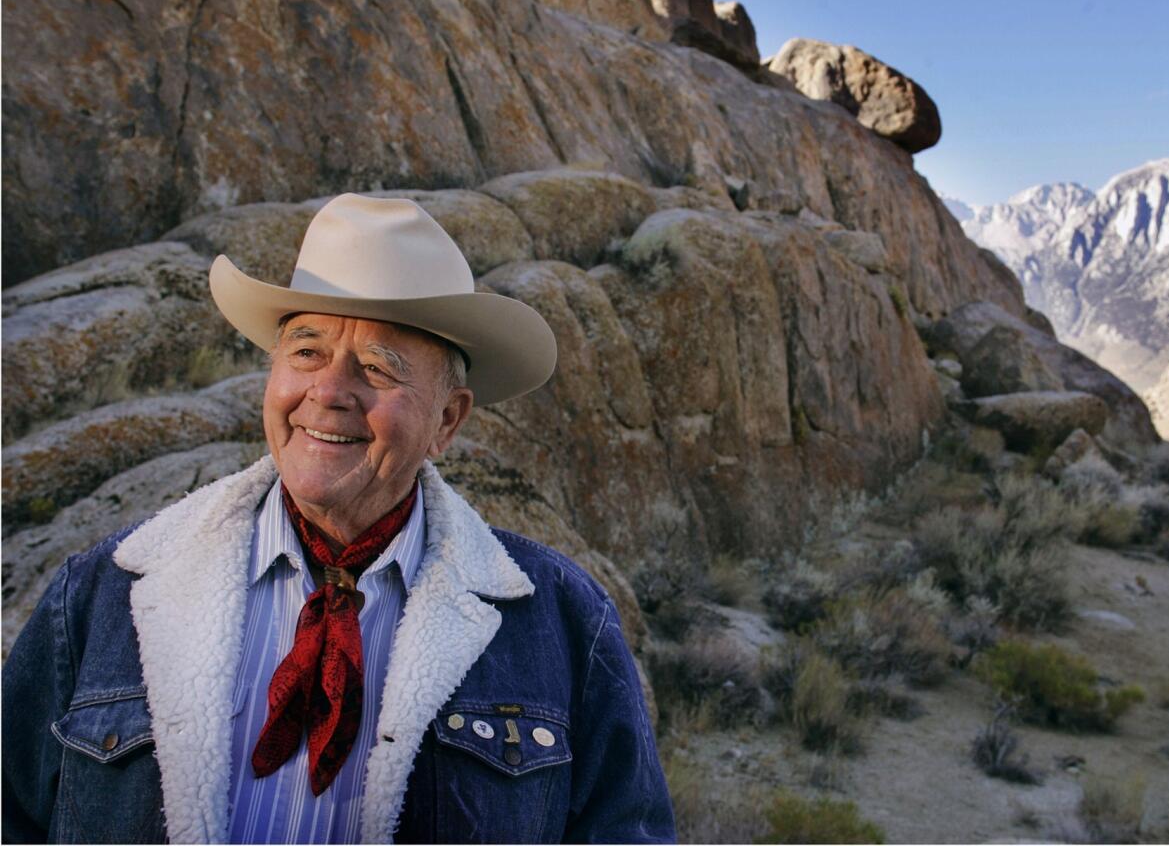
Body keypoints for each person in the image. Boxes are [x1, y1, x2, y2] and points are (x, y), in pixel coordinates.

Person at [1, 193, 676, 844]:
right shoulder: (96, 596)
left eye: (378, 368)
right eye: (306, 352)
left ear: (448, 419)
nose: (327, 392)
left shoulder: (561, 620)